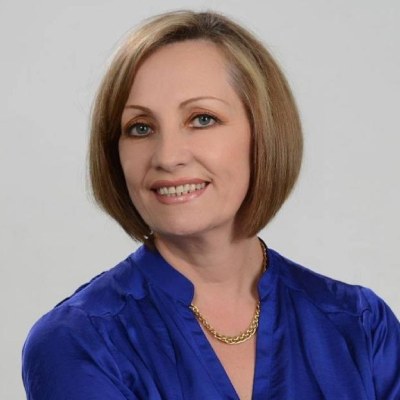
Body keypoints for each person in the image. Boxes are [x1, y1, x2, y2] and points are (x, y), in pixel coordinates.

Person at [22, 10, 400, 400]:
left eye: (202, 119)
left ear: (264, 133)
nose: (168, 156)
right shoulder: (79, 343)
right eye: (140, 128)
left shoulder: (361, 326)